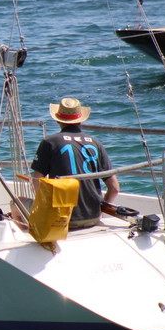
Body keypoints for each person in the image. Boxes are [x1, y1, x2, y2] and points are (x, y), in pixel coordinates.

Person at [31, 97, 120, 230]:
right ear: (80, 119)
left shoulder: (50, 142)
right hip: (93, 217)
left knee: (16, 204)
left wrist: (46, 210)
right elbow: (114, 188)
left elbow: (36, 181)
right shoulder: (95, 143)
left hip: (61, 218)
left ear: (57, 119)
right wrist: (100, 212)